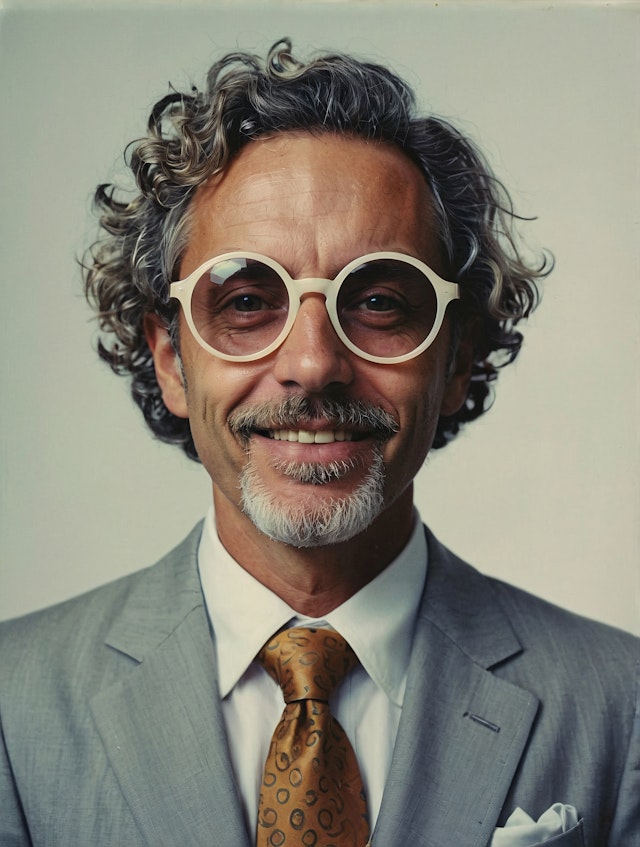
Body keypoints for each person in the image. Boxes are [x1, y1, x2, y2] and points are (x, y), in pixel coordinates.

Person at [0, 38, 637, 847]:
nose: (313, 363)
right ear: (168, 358)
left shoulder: (622, 704)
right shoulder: (12, 708)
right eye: (245, 302)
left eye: (377, 299)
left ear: (455, 358)